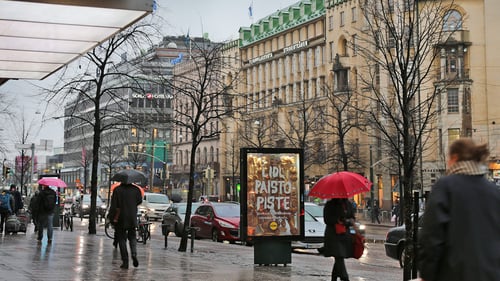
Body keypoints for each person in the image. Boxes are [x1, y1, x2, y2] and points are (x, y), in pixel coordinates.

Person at [418, 138, 500, 281]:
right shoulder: (493, 191)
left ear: (455, 158)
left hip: (454, 274)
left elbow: (432, 236)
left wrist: (427, 273)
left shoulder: (445, 186)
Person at [108, 183, 143, 269]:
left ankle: (125, 261)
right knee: (132, 237)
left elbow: (113, 206)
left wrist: (111, 217)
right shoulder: (136, 189)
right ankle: (134, 254)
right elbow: (139, 201)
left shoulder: (117, 190)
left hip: (121, 217)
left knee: (121, 239)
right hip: (132, 217)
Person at [323, 198, 356, 281]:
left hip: (344, 234)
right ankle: (345, 277)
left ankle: (333, 278)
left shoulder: (348, 203)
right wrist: (338, 220)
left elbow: (352, 217)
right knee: (339, 256)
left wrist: (349, 221)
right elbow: (327, 219)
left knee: (339, 257)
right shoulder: (330, 204)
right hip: (333, 235)